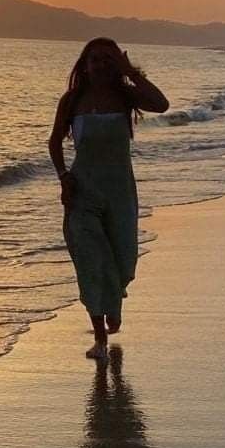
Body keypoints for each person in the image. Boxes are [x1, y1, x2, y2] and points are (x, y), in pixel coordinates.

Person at [48, 38, 169, 360]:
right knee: (90, 260)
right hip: (82, 190)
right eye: (94, 59)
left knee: (122, 259)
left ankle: (113, 302)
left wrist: (132, 72)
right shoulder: (72, 101)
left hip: (119, 190)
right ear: (84, 65)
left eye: (106, 59)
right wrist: (64, 177)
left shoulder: (125, 95)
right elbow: (54, 143)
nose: (99, 64)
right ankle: (100, 337)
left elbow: (161, 104)